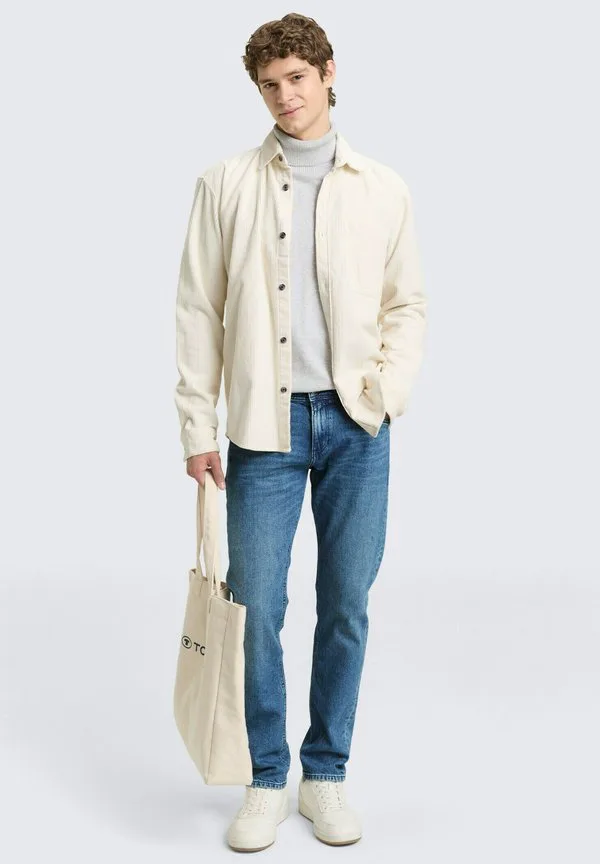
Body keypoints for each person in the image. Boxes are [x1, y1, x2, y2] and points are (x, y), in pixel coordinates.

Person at [174, 12, 427, 853]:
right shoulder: (225, 184)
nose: (285, 96)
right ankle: (264, 778)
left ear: (327, 74)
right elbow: (197, 309)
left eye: (297, 79)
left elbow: (406, 304)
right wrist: (197, 424)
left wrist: (386, 391)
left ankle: (325, 775)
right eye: (270, 85)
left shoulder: (382, 187)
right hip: (263, 426)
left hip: (357, 422)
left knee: (346, 604)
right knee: (256, 608)